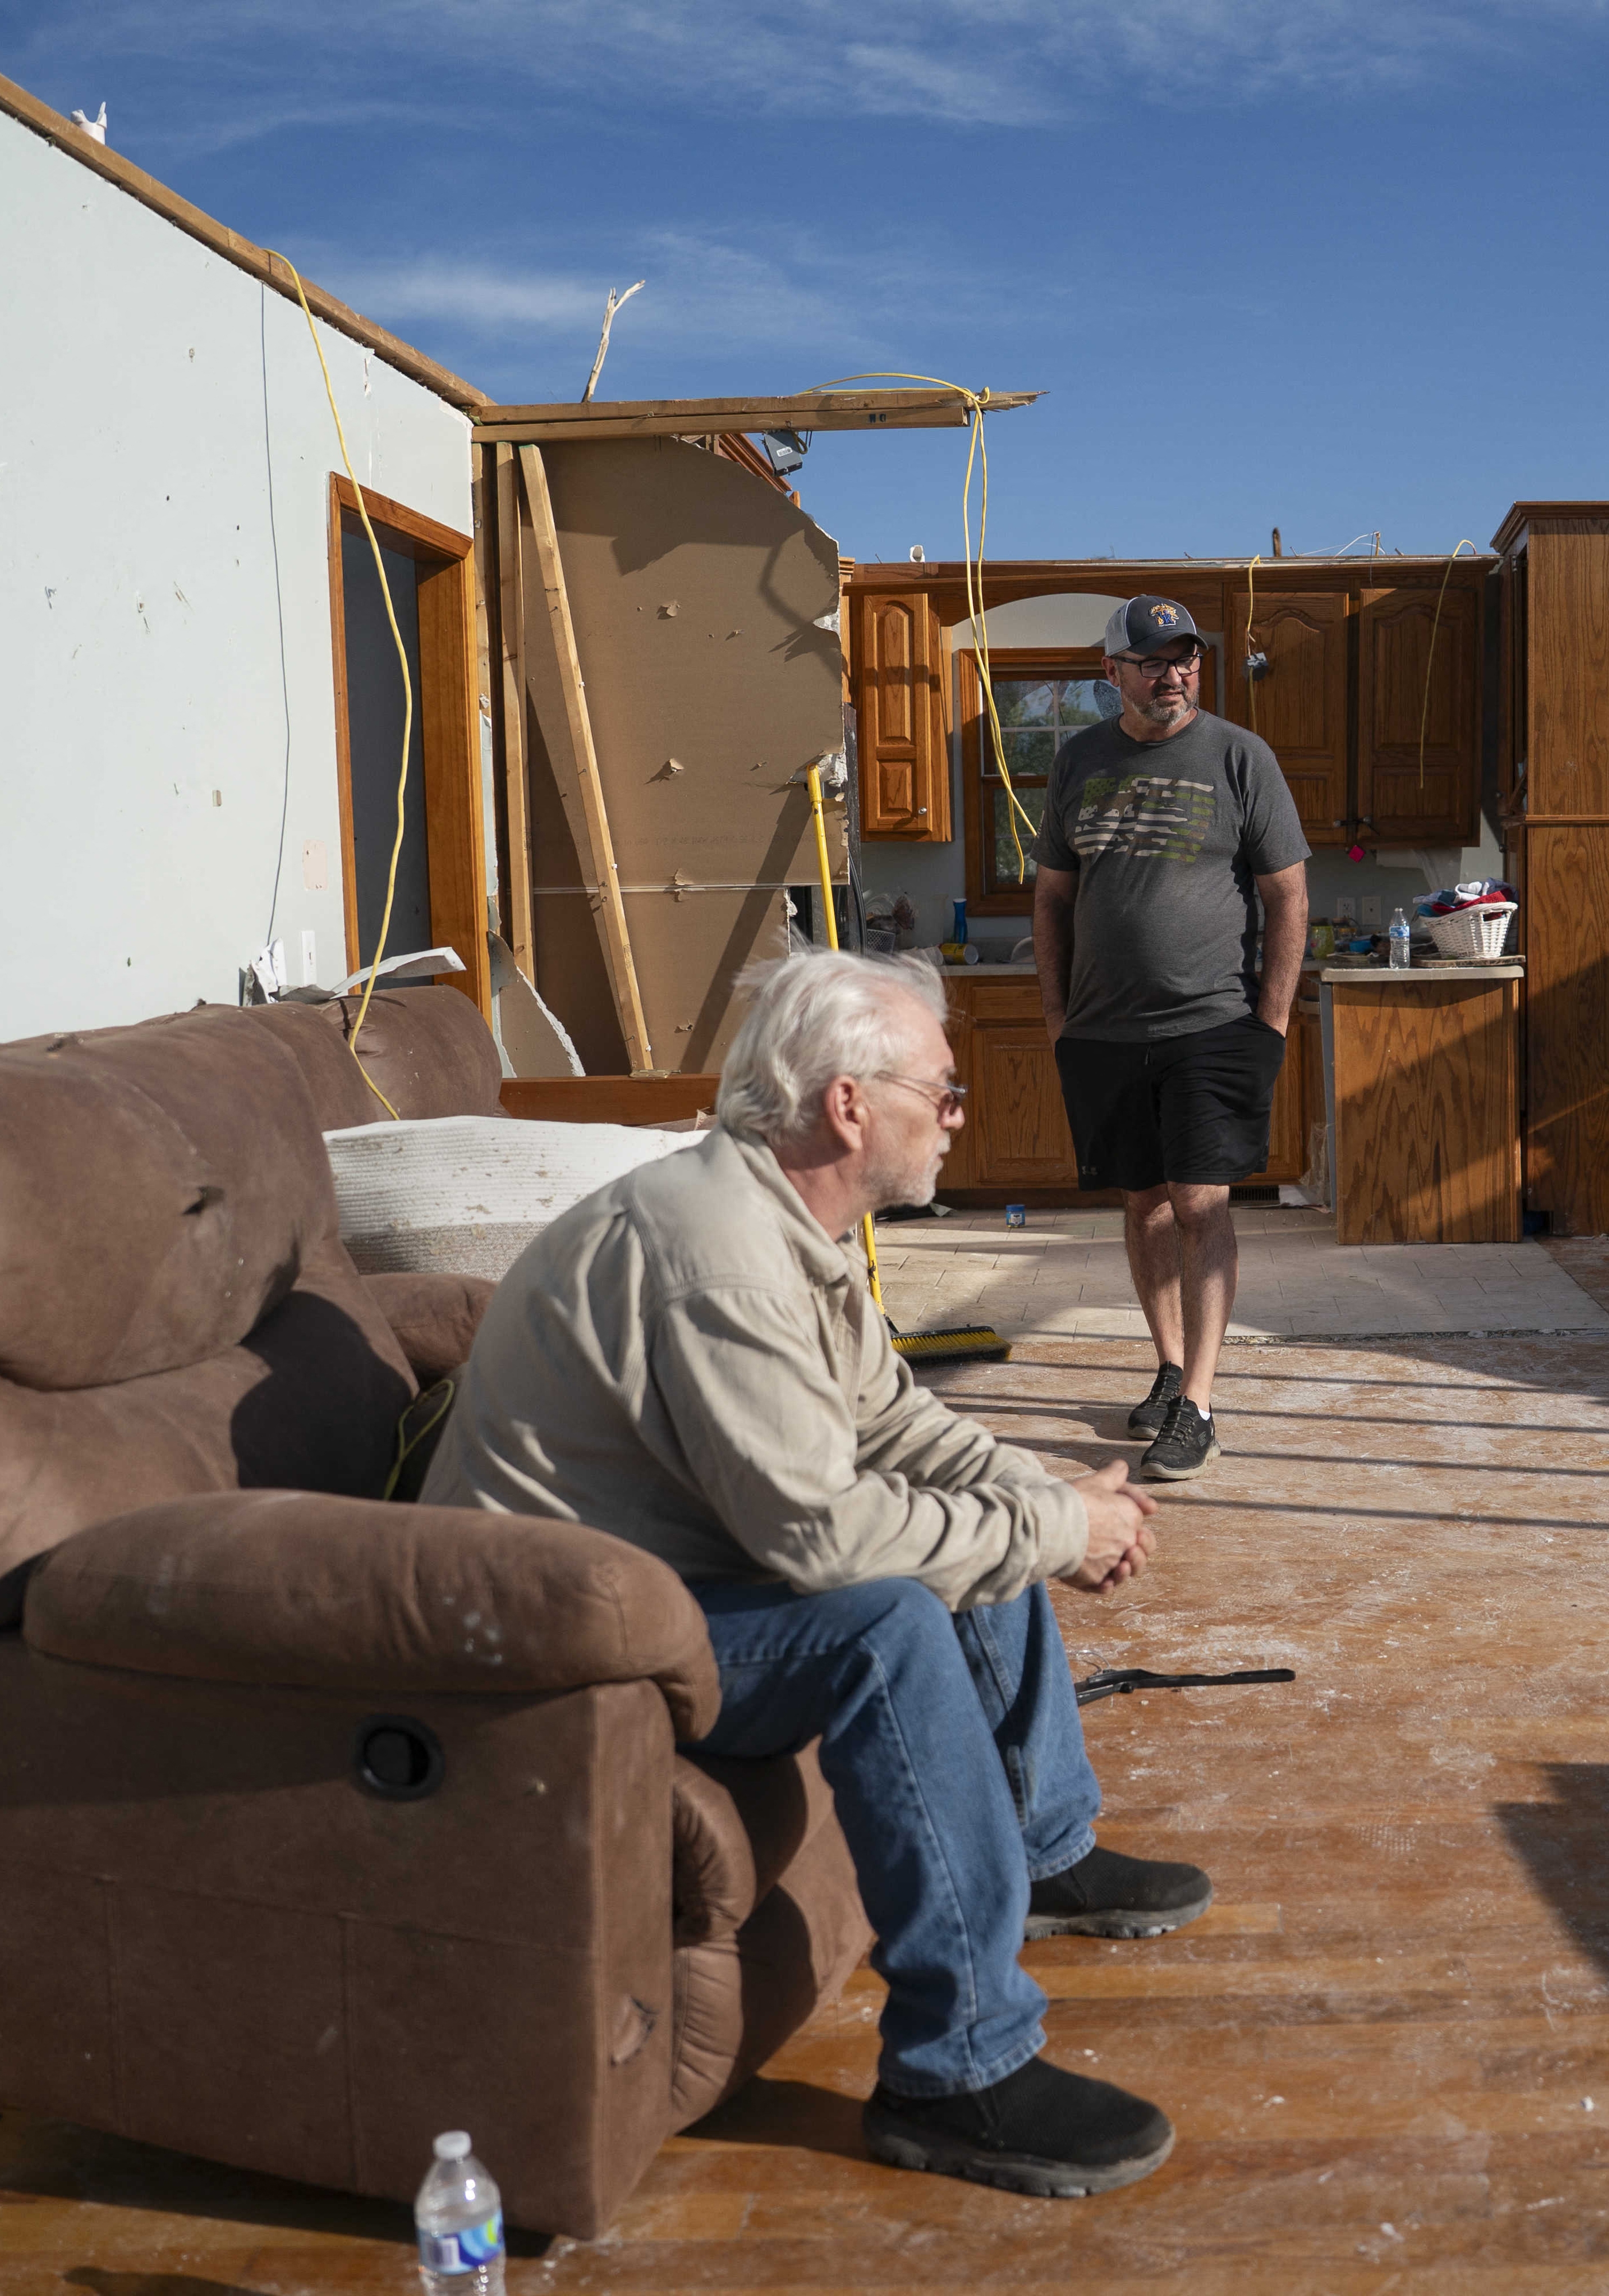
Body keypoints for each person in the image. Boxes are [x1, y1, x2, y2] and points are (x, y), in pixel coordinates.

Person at [421, 950, 1205, 2200]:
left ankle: (1040, 1847)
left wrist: (1050, 1498)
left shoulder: (789, 1225)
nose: (960, 1117)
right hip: (565, 1631)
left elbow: (891, 1422)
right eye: (943, 1094)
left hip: (666, 1572)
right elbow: (823, 1542)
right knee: (884, 1620)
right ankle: (955, 2071)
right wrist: (1056, 1535)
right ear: (850, 1104)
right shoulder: (719, 1255)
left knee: (973, 1517)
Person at [1031, 595, 1312, 1483]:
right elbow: (1051, 896)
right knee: (1144, 1202)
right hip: (1105, 1030)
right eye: (1152, 659)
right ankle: (1164, 1366)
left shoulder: (1239, 756)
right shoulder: (1079, 759)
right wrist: (1055, 1017)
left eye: (1185, 656)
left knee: (1202, 1203)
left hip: (1212, 1024)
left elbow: (1287, 895)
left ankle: (1197, 1403)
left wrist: (1268, 1019)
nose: (1173, 672)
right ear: (1109, 671)